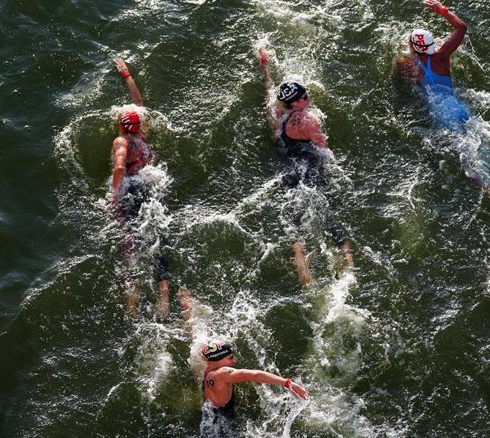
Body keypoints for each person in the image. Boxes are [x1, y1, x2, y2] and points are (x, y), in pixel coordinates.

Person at [395, 0, 490, 218]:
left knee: (471, 162)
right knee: (484, 148)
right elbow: (461, 28)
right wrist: (442, 10)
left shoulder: (406, 64)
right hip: (459, 108)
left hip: (442, 116)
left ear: (412, 47)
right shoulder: (441, 56)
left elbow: (401, 81)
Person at [258, 48, 353, 286]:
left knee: (296, 218)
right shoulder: (308, 120)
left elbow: (269, 89)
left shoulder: (276, 112)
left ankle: (302, 268)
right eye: (305, 96)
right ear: (299, 101)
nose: (308, 97)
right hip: (309, 165)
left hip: (287, 165)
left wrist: (265, 67)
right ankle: (347, 261)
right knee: (330, 212)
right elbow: (323, 147)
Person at [179, 290, 308, 417]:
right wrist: (288, 383)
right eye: (230, 358)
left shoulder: (206, 364)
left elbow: (193, 334)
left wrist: (187, 306)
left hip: (209, 408)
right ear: (218, 359)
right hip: (222, 420)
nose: (234, 361)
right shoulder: (223, 373)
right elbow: (255, 375)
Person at [112, 58, 170, 315]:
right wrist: (127, 75)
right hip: (151, 183)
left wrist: (114, 195)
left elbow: (119, 167)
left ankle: (133, 301)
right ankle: (164, 296)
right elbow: (139, 103)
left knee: (130, 244)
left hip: (132, 189)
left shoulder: (121, 141)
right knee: (158, 236)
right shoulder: (142, 138)